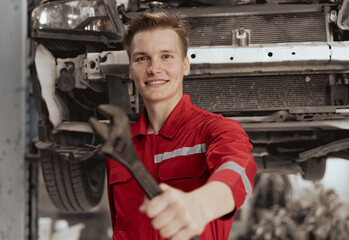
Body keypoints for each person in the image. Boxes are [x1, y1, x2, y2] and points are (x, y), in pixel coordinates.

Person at [106, 11, 257, 240]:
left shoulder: (216, 130)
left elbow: (239, 172)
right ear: (130, 69)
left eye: (166, 56)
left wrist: (200, 205)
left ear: (185, 65)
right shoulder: (121, 145)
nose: (153, 68)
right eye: (141, 58)